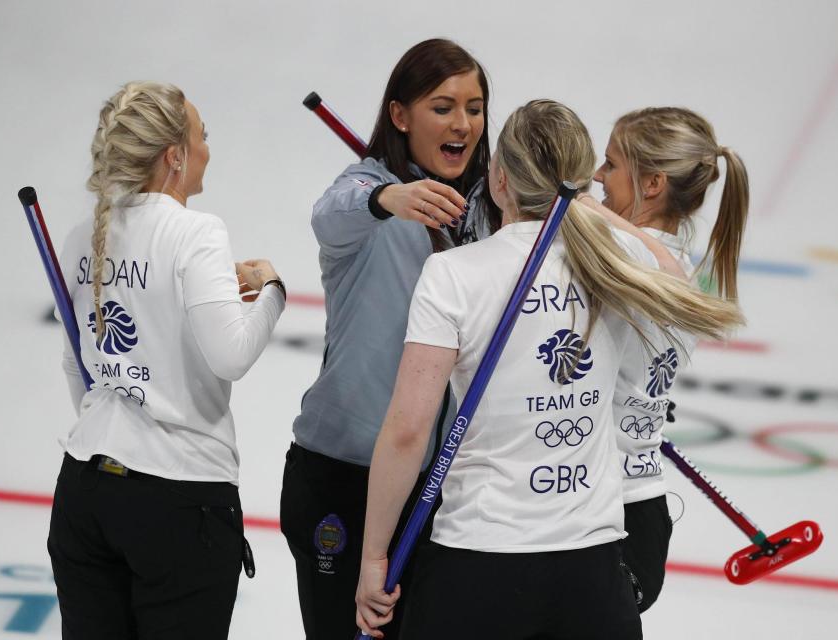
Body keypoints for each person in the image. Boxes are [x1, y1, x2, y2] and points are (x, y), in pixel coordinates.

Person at [355, 99, 744, 640]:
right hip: (591, 575)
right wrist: (580, 201)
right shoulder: (614, 260)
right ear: (581, 183)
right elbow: (668, 268)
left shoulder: (451, 273)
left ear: (497, 178)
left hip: (479, 559)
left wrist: (375, 556)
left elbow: (407, 432)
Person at [47, 81, 285, 639]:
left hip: (85, 491)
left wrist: (123, 409)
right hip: (179, 502)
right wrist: (272, 289)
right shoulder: (195, 231)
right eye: (203, 136)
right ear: (174, 156)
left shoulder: (83, 235)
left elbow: (74, 364)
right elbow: (230, 355)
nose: (208, 148)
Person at [280, 39, 498, 639]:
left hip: (441, 489)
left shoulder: (485, 209)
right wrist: (387, 199)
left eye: (475, 108)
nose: (463, 124)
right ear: (400, 116)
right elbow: (330, 214)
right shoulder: (368, 189)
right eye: (443, 106)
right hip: (341, 475)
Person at [586, 106, 749, 611]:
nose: (596, 176)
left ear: (652, 184)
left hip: (593, 511)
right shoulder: (684, 260)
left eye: (611, 165)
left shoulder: (623, 248)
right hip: (643, 509)